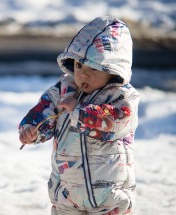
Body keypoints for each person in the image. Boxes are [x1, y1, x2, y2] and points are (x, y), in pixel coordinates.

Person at [18, 16, 140, 215]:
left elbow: (116, 122)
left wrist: (80, 111)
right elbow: (43, 111)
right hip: (66, 195)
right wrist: (32, 129)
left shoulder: (122, 96)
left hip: (109, 196)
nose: (83, 74)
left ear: (113, 69)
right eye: (78, 66)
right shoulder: (64, 90)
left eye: (93, 68)